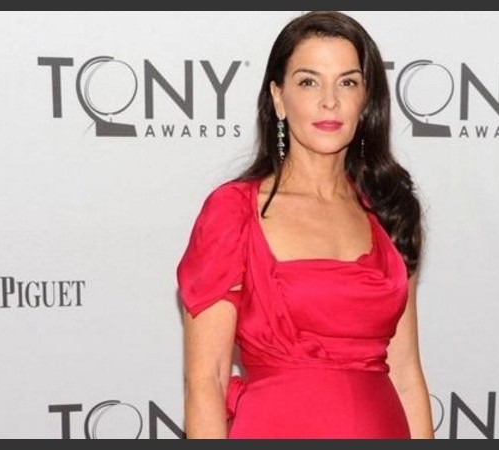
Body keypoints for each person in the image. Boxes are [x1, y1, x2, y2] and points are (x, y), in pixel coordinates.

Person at [177, 11, 433, 439]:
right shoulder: (233, 212)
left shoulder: (390, 209)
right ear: (279, 98)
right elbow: (208, 380)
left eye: (347, 83)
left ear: (366, 99)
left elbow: (407, 374)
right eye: (309, 82)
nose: (329, 101)